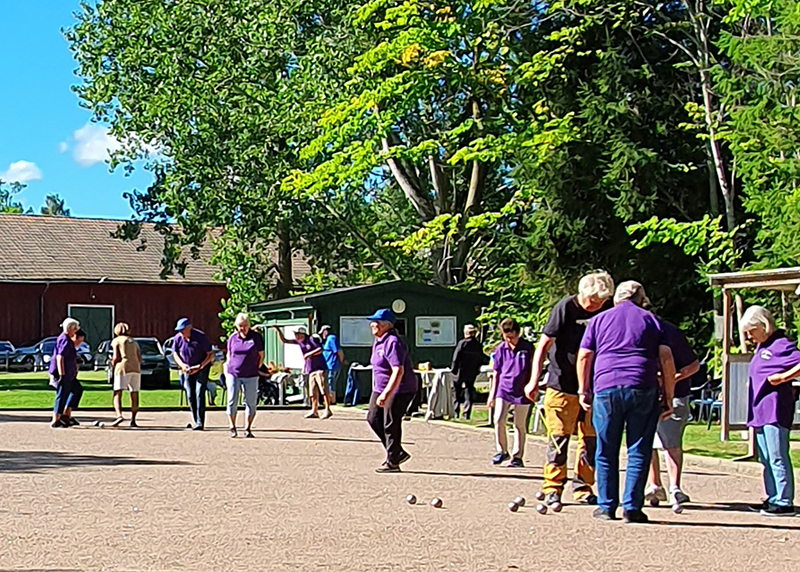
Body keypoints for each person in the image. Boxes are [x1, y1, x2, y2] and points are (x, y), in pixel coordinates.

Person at [577, 281, 676, 523]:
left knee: (605, 449)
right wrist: (669, 396)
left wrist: (583, 390)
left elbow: (585, 355)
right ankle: (632, 507)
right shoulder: (652, 320)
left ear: (615, 299)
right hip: (642, 385)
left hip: (606, 387)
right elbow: (666, 357)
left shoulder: (599, 320)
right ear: (642, 298)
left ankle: (606, 506)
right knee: (639, 449)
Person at [524, 271, 614, 506]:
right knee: (559, 438)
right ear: (582, 294)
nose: (596, 306)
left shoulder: (607, 310)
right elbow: (543, 346)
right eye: (592, 301)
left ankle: (583, 486)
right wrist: (534, 380)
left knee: (591, 440)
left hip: (596, 387)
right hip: (562, 385)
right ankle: (553, 486)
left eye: (602, 302)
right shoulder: (565, 309)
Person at [741, 305, 800, 516]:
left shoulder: (781, 344)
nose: (749, 336)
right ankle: (773, 496)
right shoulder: (762, 345)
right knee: (765, 457)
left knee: (777, 456)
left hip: (774, 409)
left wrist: (784, 377)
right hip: (759, 409)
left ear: (763, 326)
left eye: (751, 331)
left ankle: (784, 501)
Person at [645, 317, 700, 509]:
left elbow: (694, 365)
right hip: (646, 393)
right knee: (648, 440)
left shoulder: (670, 332)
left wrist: (674, 378)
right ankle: (654, 485)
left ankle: (674, 487)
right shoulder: (634, 332)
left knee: (671, 441)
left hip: (677, 394)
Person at [365, 308, 418, 473]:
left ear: (385, 325)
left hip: (400, 388)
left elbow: (398, 370)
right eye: (373, 322)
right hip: (380, 387)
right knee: (373, 418)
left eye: (376, 322)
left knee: (391, 422)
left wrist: (387, 393)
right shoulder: (378, 341)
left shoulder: (392, 342)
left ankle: (393, 460)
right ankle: (397, 452)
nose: (373, 325)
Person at [489, 318, 534, 468]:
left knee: (519, 424)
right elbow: (496, 372)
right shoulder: (501, 348)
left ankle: (518, 456)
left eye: (512, 337)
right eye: (506, 337)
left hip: (522, 390)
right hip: (504, 388)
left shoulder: (527, 348)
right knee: (499, 419)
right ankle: (502, 450)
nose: (509, 340)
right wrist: (492, 394)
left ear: (518, 333)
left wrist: (533, 386)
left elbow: (534, 369)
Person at [272, 325, 332, 419]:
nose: (296, 336)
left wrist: (309, 354)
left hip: (320, 368)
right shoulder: (299, 342)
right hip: (310, 369)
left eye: (297, 334)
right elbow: (284, 341)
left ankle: (328, 409)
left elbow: (320, 349)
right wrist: (278, 330)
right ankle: (314, 410)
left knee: (323, 390)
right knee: (312, 391)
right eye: (295, 334)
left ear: (302, 333)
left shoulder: (311, 339)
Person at [225, 313, 264, 438]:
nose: (243, 328)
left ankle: (248, 427)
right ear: (236, 326)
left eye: (245, 325)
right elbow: (229, 354)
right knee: (232, 400)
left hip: (251, 374)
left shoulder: (256, 338)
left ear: (249, 325)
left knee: (251, 402)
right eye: (240, 326)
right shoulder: (232, 338)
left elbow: (261, 355)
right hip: (233, 373)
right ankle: (232, 427)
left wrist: (256, 367)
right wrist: (228, 366)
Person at [172, 318, 214, 430]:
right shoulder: (177, 338)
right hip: (187, 369)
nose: (181, 332)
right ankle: (196, 420)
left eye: (182, 330)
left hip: (201, 368)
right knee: (190, 395)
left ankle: (200, 422)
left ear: (189, 328)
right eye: (179, 330)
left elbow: (210, 355)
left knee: (199, 392)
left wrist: (200, 366)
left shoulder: (200, 337)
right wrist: (182, 365)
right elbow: (175, 353)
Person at [49, 319, 84, 428]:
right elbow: (60, 357)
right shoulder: (64, 339)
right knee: (62, 394)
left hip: (69, 373)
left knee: (77, 390)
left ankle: (66, 414)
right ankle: (56, 418)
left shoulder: (67, 339)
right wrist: (62, 374)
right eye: (75, 328)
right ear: (70, 329)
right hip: (64, 373)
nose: (76, 331)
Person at [110, 322, 142, 427]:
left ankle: (119, 415)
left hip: (123, 367)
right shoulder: (133, 341)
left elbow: (116, 356)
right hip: (136, 368)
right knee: (134, 393)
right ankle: (133, 419)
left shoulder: (117, 341)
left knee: (117, 393)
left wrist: (112, 364)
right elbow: (139, 357)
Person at [450, 324, 485, 420]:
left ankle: (456, 411)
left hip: (460, 371)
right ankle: (467, 413)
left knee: (456, 391)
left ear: (466, 333)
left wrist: (453, 369)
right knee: (468, 391)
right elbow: (480, 358)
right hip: (471, 371)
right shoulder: (478, 345)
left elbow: (456, 357)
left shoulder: (462, 343)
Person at [320, 325, 345, 405]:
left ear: (326, 332)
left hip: (332, 365)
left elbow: (339, 351)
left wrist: (341, 361)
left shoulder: (332, 338)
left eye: (322, 333)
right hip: (327, 365)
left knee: (331, 382)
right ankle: (330, 399)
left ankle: (332, 400)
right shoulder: (327, 340)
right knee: (329, 382)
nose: (322, 335)